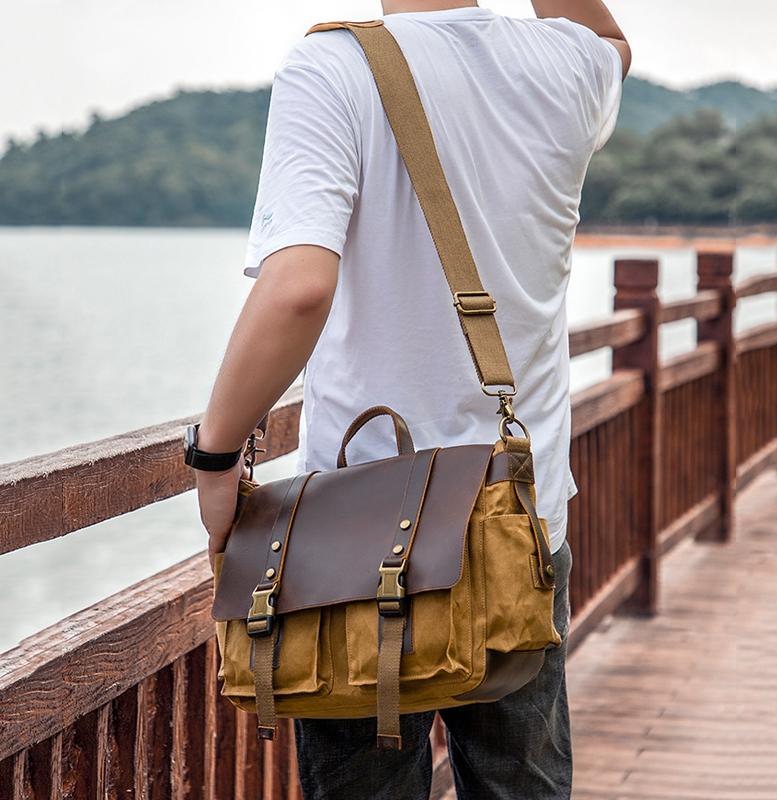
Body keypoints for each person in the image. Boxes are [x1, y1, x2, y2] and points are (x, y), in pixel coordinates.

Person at [190, 1, 630, 796]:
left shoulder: (335, 67)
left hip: (354, 538)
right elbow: (610, 40)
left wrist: (215, 457)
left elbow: (298, 288)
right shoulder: (567, 65)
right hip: (518, 522)